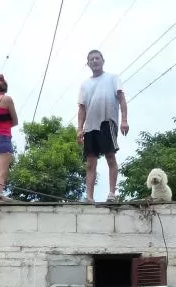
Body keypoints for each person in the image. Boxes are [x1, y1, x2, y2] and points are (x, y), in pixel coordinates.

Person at [77, 50, 129, 203]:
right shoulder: (85, 84)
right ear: (88, 63)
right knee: (90, 161)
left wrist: (124, 120)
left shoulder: (112, 78)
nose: (94, 61)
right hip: (90, 127)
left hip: (107, 122)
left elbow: (121, 99)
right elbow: (82, 108)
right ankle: (89, 197)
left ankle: (112, 194)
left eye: (97, 58)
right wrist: (80, 129)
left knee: (110, 156)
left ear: (102, 60)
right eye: (91, 59)